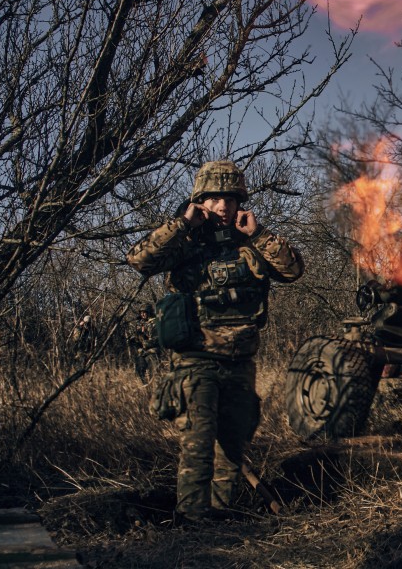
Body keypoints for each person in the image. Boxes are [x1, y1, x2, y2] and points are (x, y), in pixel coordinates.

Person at [126, 161, 304, 523]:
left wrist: (259, 234)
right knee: (199, 443)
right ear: (200, 201)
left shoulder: (250, 243)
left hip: (240, 362)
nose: (223, 206)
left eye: (230, 199)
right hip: (196, 361)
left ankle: (221, 516)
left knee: (233, 445)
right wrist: (182, 224)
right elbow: (139, 259)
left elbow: (293, 270)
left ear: (240, 203)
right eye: (214, 199)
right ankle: (192, 520)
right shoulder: (185, 242)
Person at [127, 304, 157, 381]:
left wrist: (145, 344)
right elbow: (136, 337)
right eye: (141, 312)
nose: (142, 314)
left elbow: (156, 339)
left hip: (152, 350)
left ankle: (153, 382)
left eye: (144, 312)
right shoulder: (139, 323)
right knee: (140, 369)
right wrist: (134, 341)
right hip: (142, 350)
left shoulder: (155, 323)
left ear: (149, 312)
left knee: (153, 371)